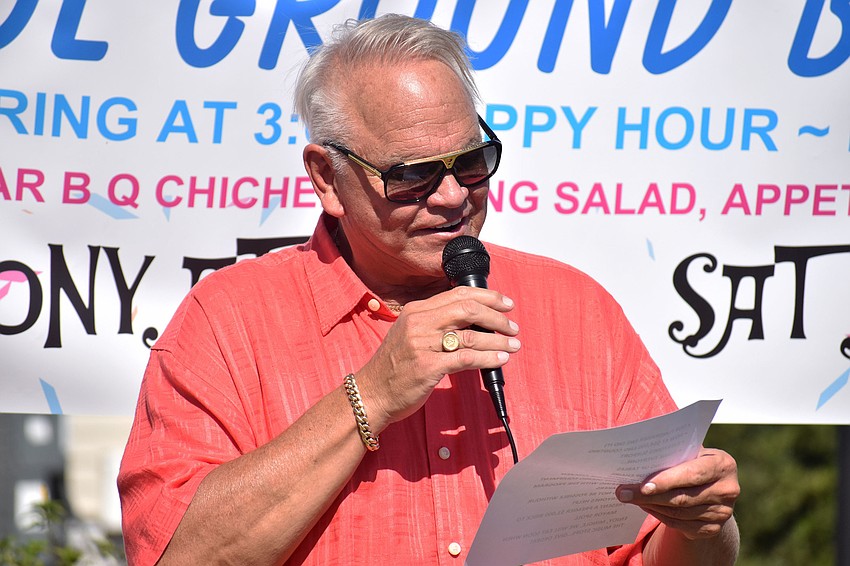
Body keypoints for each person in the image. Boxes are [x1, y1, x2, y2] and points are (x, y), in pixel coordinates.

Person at [118, 14, 740, 566]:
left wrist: (705, 528)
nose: (450, 197)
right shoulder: (226, 321)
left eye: (471, 163)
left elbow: (655, 550)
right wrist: (372, 394)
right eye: (411, 175)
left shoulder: (578, 312)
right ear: (327, 177)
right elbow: (179, 553)